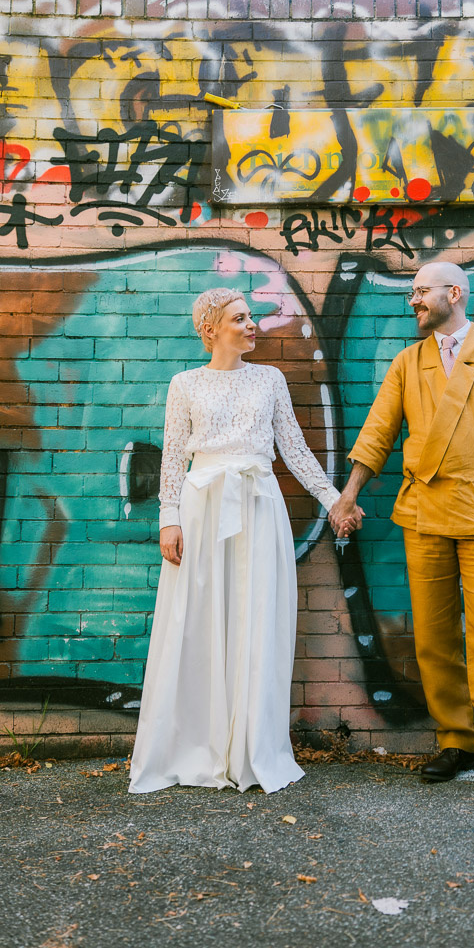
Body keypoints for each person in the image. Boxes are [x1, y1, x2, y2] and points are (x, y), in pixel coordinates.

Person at [328, 261, 474, 794]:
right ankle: (455, 739)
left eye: (420, 291)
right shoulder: (408, 362)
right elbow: (377, 432)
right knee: (432, 634)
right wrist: (349, 493)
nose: (412, 300)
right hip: (425, 513)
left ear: (454, 293)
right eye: (410, 292)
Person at [129, 288, 346, 795]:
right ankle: (198, 745)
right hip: (201, 510)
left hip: (258, 506)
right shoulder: (184, 384)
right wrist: (168, 518)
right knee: (197, 621)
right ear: (210, 329)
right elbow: (172, 457)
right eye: (240, 318)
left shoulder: (269, 379)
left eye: (251, 317)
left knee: (255, 617)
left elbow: (295, 449)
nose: (253, 325)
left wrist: (333, 499)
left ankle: (250, 747)